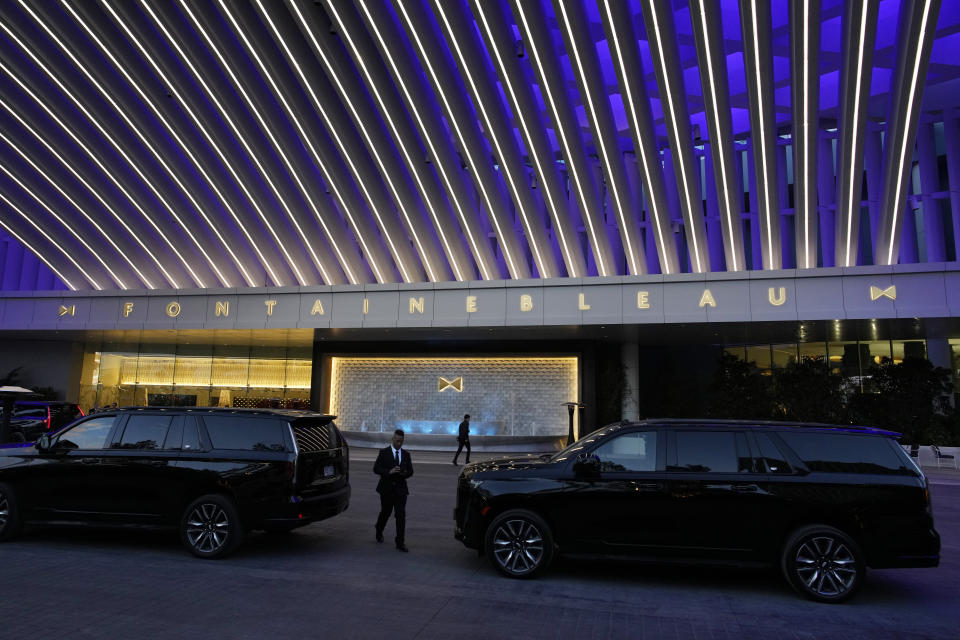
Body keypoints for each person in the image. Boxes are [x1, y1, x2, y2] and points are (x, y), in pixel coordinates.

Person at [374, 429, 414, 552]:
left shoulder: (406, 455)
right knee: (385, 512)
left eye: (401, 441)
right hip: (386, 489)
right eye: (397, 441)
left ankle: (400, 542)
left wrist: (405, 473)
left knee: (400, 515)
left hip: (401, 490)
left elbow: (411, 471)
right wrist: (389, 472)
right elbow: (376, 468)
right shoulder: (384, 452)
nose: (399, 444)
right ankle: (379, 529)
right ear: (392, 439)